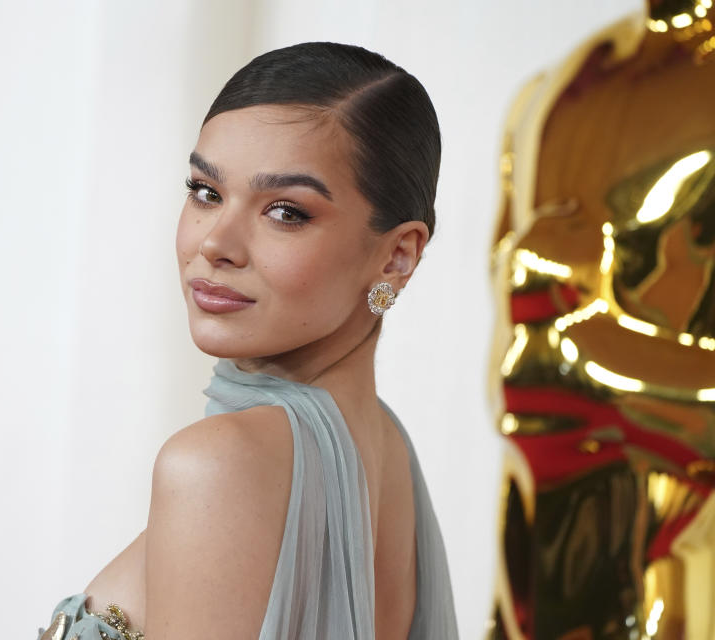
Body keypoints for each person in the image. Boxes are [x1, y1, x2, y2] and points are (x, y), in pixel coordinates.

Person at [37, 41, 459, 640]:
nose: (216, 243)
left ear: (397, 255)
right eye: (206, 192)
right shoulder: (387, 447)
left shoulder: (218, 464)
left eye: (285, 211)